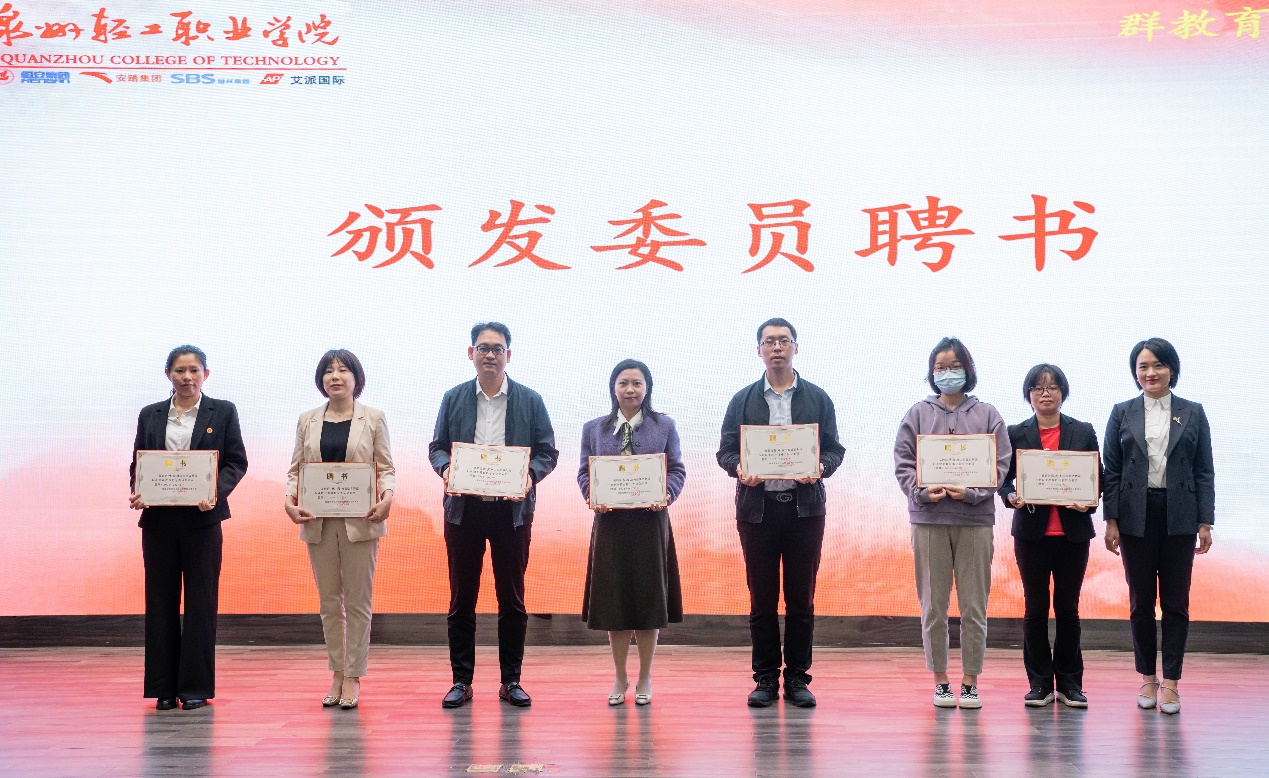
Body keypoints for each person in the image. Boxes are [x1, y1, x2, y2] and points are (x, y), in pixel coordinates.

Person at [716, 318, 845, 709]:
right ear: (758, 350)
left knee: (801, 600)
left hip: (805, 512)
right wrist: (739, 468)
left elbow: (834, 450)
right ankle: (766, 678)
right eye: (769, 341)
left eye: (784, 340)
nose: (777, 347)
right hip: (757, 512)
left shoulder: (818, 398)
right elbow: (725, 451)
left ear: (795, 347)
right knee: (762, 600)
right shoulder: (742, 400)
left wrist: (820, 467)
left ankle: (798, 678)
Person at [429, 322, 559, 709]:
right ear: (471, 353)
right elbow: (437, 447)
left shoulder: (530, 400)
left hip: (511, 513)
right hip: (464, 511)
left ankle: (511, 680)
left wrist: (529, 476)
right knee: (461, 600)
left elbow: (547, 452)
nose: (490, 354)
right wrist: (446, 469)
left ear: (508, 355)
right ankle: (461, 681)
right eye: (483, 348)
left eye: (497, 348)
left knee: (512, 600)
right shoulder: (453, 398)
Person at [128, 345, 248, 711]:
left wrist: (214, 492)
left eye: (194, 370)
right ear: (168, 374)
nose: (187, 377)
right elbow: (139, 463)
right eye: (180, 370)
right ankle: (163, 687)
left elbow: (236, 462)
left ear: (205, 374)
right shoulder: (150, 414)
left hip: (203, 521)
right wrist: (138, 490)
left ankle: (194, 687)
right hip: (159, 522)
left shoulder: (223, 411)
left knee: (201, 603)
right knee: (160, 602)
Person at [894, 337, 1011, 710]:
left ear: (968, 370)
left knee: (974, 606)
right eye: (940, 368)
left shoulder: (988, 414)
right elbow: (903, 460)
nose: (947, 373)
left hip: (975, 520)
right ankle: (941, 680)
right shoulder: (917, 413)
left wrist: (974, 492)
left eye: (954, 366)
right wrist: (921, 493)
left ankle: (971, 681)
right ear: (932, 373)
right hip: (929, 519)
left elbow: (1001, 463)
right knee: (933, 605)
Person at [1103, 338, 1214, 715]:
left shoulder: (1192, 412)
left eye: (1158, 365)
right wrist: (1111, 519)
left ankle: (1172, 683)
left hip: (1180, 515)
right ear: (1135, 373)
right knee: (1141, 602)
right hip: (1135, 516)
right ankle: (1147, 678)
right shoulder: (1122, 412)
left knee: (1176, 603)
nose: (1150, 373)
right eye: (1143, 366)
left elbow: (1204, 471)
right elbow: (1112, 471)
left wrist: (1205, 520)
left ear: (1171, 369)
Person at [284, 350, 395, 710]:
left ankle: (353, 675)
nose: (335, 376)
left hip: (361, 522)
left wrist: (387, 497)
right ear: (321, 380)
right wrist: (288, 501)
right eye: (329, 371)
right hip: (318, 522)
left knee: (358, 602)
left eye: (343, 370)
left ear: (355, 378)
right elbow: (296, 470)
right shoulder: (307, 420)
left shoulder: (373, 418)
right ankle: (336, 672)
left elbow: (385, 468)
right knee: (329, 603)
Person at [578, 359, 686, 706]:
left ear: (647, 388)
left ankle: (645, 677)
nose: (630, 389)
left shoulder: (664, 426)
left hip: (650, 525)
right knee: (616, 604)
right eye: (623, 383)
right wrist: (592, 495)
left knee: (647, 603)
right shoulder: (594, 429)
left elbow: (677, 470)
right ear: (613, 388)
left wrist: (666, 494)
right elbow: (584, 473)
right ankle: (620, 676)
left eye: (637, 383)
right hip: (610, 525)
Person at [998, 364, 1099, 708]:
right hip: (1031, 535)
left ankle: (1070, 683)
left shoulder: (1082, 431)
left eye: (1053, 387)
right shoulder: (1015, 433)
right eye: (1038, 388)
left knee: (1068, 610)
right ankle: (1039, 682)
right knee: (1035, 608)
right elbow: (1003, 478)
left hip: (1072, 535)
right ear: (1028, 395)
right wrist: (1011, 495)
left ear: (1063, 392)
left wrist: (1089, 501)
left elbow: (1097, 476)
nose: (1045, 393)